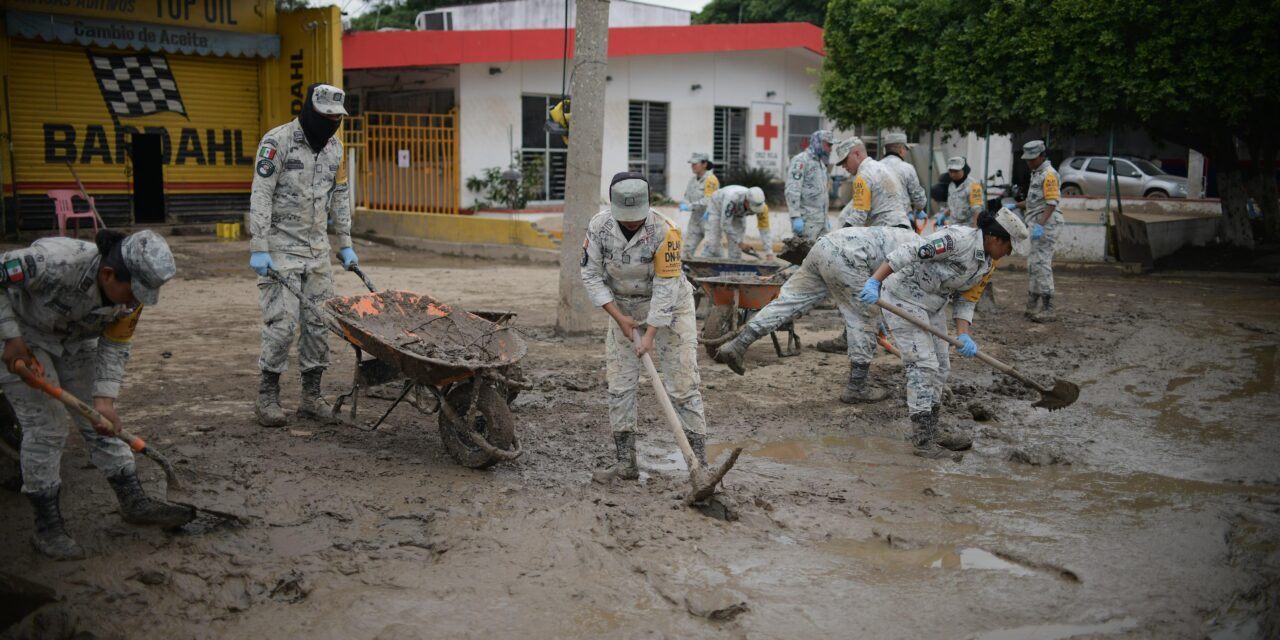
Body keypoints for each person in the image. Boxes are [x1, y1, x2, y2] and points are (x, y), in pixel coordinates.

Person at [0, 230, 194, 560]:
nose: (136, 301)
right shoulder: (51, 263)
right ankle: (47, 527)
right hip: (24, 335)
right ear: (108, 275)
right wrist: (10, 336)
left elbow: (116, 345)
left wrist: (105, 399)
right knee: (47, 430)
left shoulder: (131, 299)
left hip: (76, 341)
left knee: (101, 422)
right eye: (134, 292)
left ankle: (133, 500)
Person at [858, 209, 1029, 459]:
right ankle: (922, 440)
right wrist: (875, 281)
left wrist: (963, 334)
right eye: (1010, 247)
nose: (1010, 253)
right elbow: (909, 251)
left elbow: (967, 298)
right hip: (902, 296)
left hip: (933, 304)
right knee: (923, 365)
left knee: (941, 366)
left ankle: (932, 430)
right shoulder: (956, 240)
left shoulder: (987, 265)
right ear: (996, 238)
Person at [581, 172, 709, 482]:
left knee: (682, 385)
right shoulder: (599, 227)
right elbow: (590, 275)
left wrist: (650, 333)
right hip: (622, 310)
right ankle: (626, 465)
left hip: (671, 311)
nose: (630, 224)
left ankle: (700, 467)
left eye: (635, 219)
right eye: (624, 219)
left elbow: (666, 287)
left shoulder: (667, 231)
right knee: (620, 387)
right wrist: (619, 318)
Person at [248, 83, 355, 427]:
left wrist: (346, 242)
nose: (331, 124)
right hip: (280, 250)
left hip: (317, 251)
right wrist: (259, 247)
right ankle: (267, 396)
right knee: (282, 325)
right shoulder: (276, 142)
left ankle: (311, 397)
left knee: (320, 323)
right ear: (311, 112)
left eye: (337, 118)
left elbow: (339, 195)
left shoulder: (336, 149)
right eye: (326, 117)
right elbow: (261, 195)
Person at [714, 225, 919, 403]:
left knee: (788, 301)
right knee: (863, 317)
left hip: (825, 245)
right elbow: (896, 290)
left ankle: (739, 344)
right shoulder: (923, 255)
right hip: (850, 257)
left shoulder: (913, 240)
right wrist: (876, 318)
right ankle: (857, 388)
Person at [816, 136, 913, 354]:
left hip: (883, 238)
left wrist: (835, 242)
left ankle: (853, 337)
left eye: (844, 162)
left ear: (857, 154)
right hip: (900, 235)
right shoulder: (881, 169)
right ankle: (877, 333)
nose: (843, 167)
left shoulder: (863, 176)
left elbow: (858, 218)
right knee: (878, 289)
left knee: (851, 283)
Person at [1016, 140, 1062, 322]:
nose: (1028, 162)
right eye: (1027, 159)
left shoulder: (1049, 175)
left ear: (1042, 156)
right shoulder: (1037, 173)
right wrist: (1015, 205)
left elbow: (1051, 203)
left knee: (1041, 263)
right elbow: (1035, 202)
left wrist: (1040, 225)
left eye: (1032, 159)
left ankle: (1049, 307)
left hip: (1046, 225)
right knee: (1033, 263)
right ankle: (1033, 303)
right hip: (1036, 223)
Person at [786, 130, 834, 241]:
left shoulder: (821, 164)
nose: (831, 149)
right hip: (806, 222)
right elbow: (793, 189)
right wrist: (795, 216)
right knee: (805, 257)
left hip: (821, 222)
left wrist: (825, 217)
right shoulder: (801, 161)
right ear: (818, 143)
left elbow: (822, 192)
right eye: (828, 145)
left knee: (823, 257)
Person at [702, 185, 774, 260]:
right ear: (746, 201)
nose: (754, 211)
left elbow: (764, 229)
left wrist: (769, 253)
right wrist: (740, 243)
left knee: (736, 250)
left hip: (738, 214)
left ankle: (733, 269)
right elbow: (725, 224)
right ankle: (704, 266)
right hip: (717, 208)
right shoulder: (732, 199)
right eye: (752, 207)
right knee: (713, 244)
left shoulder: (763, 208)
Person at [679, 153, 720, 259]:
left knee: (713, 250)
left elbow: (708, 200)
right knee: (687, 249)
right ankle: (686, 272)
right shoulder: (692, 180)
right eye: (691, 164)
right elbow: (687, 196)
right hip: (696, 218)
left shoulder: (711, 180)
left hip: (709, 218)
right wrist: (684, 203)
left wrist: (689, 207)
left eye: (695, 164)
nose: (692, 166)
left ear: (704, 164)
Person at [880, 131, 928, 220]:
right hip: (901, 219)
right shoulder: (907, 168)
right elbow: (917, 196)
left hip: (878, 220)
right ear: (900, 148)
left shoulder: (875, 167)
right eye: (906, 149)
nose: (906, 152)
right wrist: (919, 209)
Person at [943, 156, 985, 228]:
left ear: (964, 170)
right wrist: (944, 214)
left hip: (968, 227)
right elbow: (953, 205)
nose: (952, 174)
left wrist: (975, 230)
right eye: (950, 171)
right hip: (953, 226)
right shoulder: (951, 185)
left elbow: (977, 210)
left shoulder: (974, 186)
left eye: (956, 171)